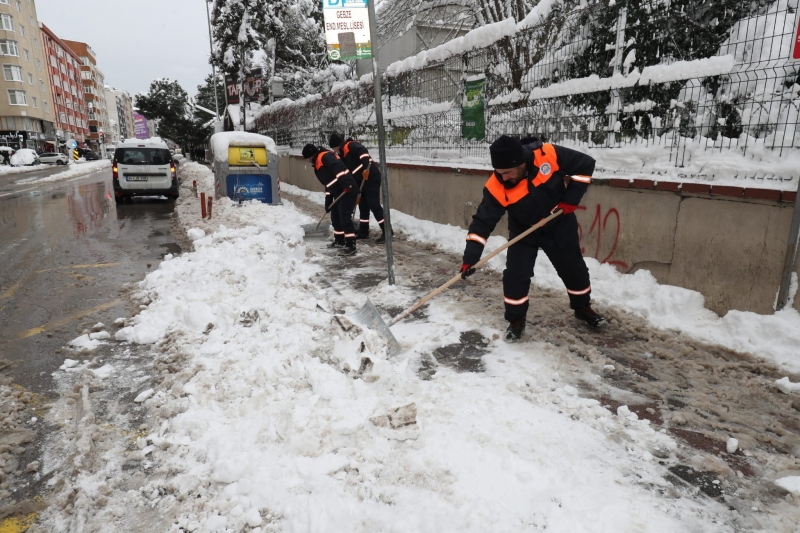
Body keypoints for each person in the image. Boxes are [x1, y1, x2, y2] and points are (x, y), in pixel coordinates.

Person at [460, 135, 605, 342]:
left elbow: (585, 166)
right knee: (516, 275)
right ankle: (516, 320)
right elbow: (482, 223)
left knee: (573, 268)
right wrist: (470, 257)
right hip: (523, 229)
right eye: (499, 173)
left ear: (521, 163)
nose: (504, 178)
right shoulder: (496, 186)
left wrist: (570, 201)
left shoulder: (547, 155)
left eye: (507, 172)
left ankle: (583, 307)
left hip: (558, 221)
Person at [328, 133, 392, 244]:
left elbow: (362, 152)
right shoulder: (343, 155)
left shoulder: (350, 145)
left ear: (337, 145)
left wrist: (366, 167)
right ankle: (364, 231)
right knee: (363, 205)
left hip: (371, 177)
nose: (335, 151)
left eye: (334, 148)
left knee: (373, 204)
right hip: (361, 181)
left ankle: (387, 231)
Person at [302, 143, 360, 256]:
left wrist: (347, 184)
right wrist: (328, 202)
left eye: (308, 159)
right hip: (338, 191)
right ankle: (339, 240)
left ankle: (351, 245)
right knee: (335, 217)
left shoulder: (325, 156)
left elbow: (339, 169)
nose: (308, 161)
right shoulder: (318, 162)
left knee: (344, 217)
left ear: (312, 155)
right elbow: (329, 184)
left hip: (347, 189)